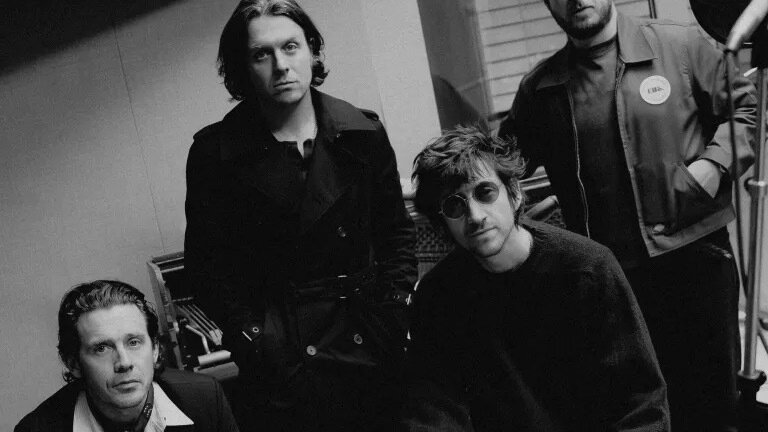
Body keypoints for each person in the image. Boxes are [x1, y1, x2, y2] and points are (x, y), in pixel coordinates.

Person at [499, 1, 757, 430]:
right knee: (640, 410)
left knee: (712, 408)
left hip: (695, 258)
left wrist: (715, 165)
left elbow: (748, 110)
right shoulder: (541, 88)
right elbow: (503, 164)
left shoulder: (680, 45)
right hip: (610, 281)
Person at [183, 0, 417, 430]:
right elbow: (206, 268)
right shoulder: (215, 154)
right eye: (261, 54)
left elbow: (397, 236)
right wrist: (254, 337)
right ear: (242, 67)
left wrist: (392, 311)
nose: (281, 66)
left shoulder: (363, 134)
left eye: (291, 47)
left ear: (312, 50)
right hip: (282, 360)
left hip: (367, 339)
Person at [400, 125, 669, 431]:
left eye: (485, 193)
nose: (475, 216)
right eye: (454, 206)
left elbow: (641, 401)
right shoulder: (438, 296)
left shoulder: (587, 269)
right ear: (442, 223)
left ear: (514, 194)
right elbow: (434, 405)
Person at [14, 280, 239, 432]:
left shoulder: (205, 399)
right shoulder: (37, 429)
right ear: (73, 363)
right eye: (102, 348)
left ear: (155, 349)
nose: (124, 362)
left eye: (134, 343)